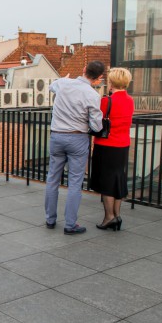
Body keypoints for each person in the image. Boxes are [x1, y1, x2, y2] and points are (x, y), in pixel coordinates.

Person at [44, 60, 105, 234]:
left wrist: (63, 78)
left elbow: (51, 86)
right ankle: (70, 224)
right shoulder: (93, 95)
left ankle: (50, 219)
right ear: (98, 78)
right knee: (75, 182)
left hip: (57, 135)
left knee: (52, 178)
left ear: (84, 69)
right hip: (78, 138)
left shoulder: (63, 83)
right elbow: (97, 126)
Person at [90, 67, 134, 231]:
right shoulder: (130, 100)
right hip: (123, 145)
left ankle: (109, 216)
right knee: (117, 178)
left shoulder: (107, 101)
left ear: (111, 82)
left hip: (106, 145)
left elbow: (96, 121)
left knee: (107, 180)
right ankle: (117, 214)